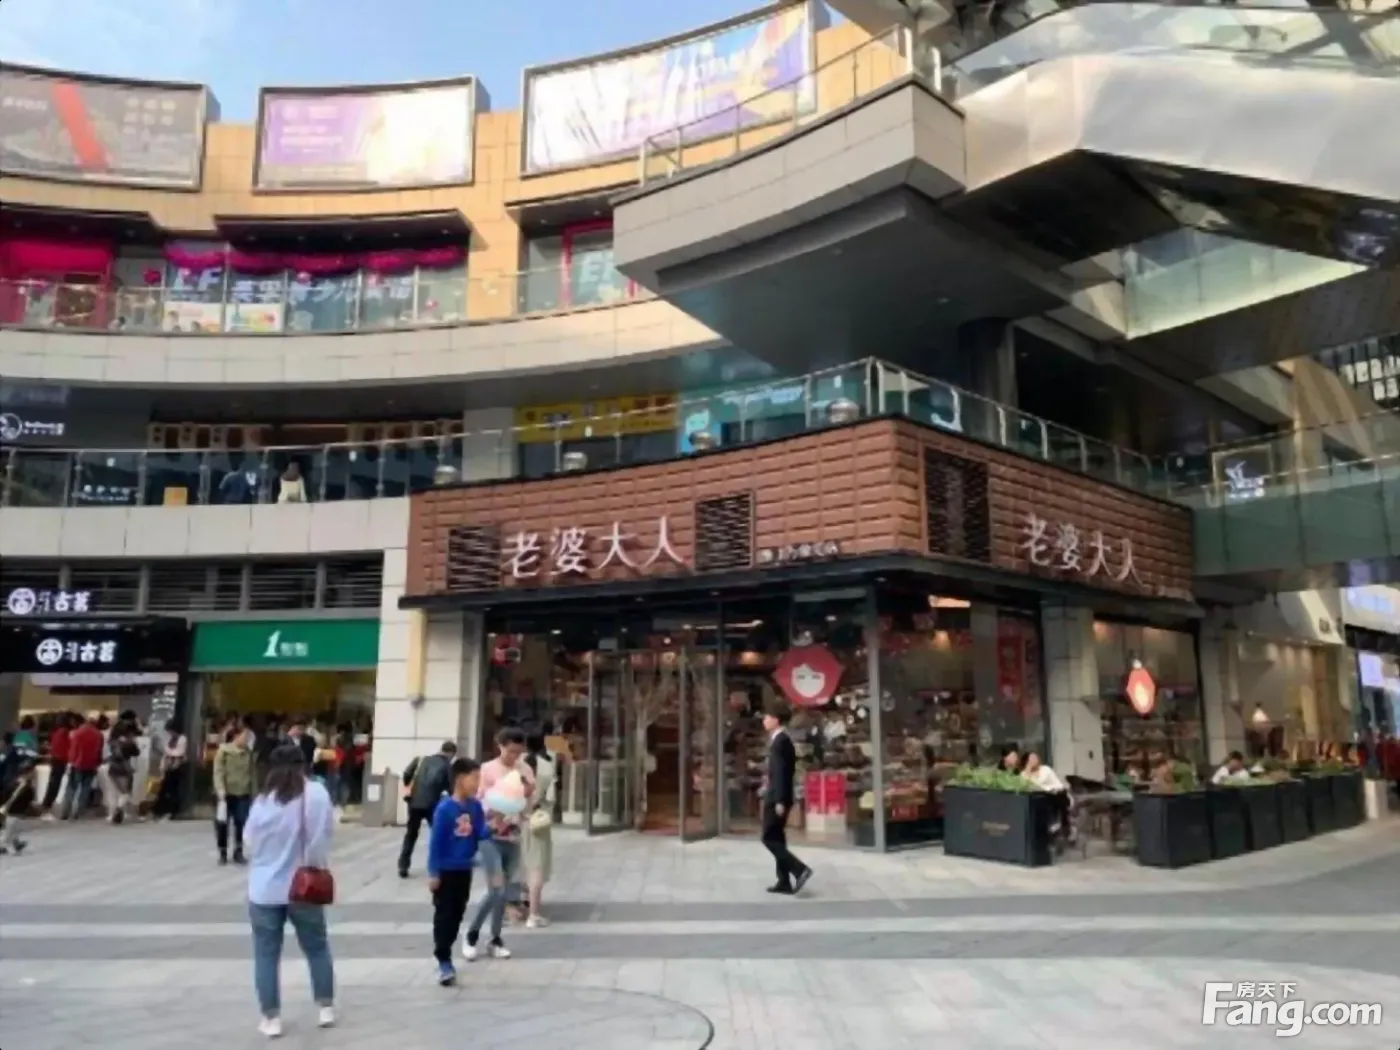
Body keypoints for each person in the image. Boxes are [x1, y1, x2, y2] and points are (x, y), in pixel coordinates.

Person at [244, 744, 337, 1037]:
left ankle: (271, 1018)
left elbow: (249, 843)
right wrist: (313, 863)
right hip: (304, 887)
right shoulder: (316, 794)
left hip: (264, 888)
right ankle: (325, 1006)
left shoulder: (263, 801)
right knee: (317, 947)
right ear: (303, 764)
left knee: (266, 954)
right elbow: (324, 835)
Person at [464, 727, 536, 959]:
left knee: (502, 892)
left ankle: (495, 938)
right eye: (511, 751)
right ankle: (472, 935)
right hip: (490, 837)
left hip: (513, 836)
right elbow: (477, 800)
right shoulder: (487, 769)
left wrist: (526, 797)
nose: (515, 756)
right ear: (500, 746)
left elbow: (529, 801)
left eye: (519, 752)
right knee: (497, 888)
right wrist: (492, 813)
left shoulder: (525, 769)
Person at [426, 757, 494, 986]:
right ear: (459, 779)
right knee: (444, 915)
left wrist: (496, 823)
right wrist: (433, 872)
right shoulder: (444, 809)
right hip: (446, 871)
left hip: (464, 869)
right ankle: (443, 960)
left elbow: (481, 832)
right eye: (474, 778)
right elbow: (435, 843)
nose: (477, 783)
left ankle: (446, 950)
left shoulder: (475, 807)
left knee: (457, 914)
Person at [760, 705, 813, 896]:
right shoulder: (780, 740)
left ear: (776, 720)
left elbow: (782, 773)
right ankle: (784, 881)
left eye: (767, 716)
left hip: (777, 797)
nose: (764, 720)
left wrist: (780, 800)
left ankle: (799, 869)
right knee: (777, 838)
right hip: (777, 794)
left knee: (768, 837)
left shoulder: (781, 742)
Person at [398, 740, 457, 878]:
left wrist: (411, 787)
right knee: (438, 834)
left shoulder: (420, 759)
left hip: (414, 803)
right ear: (451, 754)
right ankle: (439, 864)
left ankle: (403, 865)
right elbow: (451, 788)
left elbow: (406, 773)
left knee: (411, 834)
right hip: (433, 805)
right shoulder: (447, 766)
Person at [520, 726, 557, 928]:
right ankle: (533, 914)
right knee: (537, 866)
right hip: (538, 819)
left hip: (519, 818)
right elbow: (550, 796)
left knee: (522, 863)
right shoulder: (547, 765)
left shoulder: (519, 764)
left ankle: (523, 906)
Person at [215, 724, 256, 865]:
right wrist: (220, 789)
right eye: (244, 736)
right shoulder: (224, 751)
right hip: (226, 794)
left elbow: (252, 774)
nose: (246, 739)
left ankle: (238, 851)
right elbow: (218, 772)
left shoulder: (248, 753)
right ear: (236, 736)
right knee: (222, 824)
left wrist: (254, 793)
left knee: (241, 822)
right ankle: (222, 851)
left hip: (243, 793)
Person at [64, 716, 104, 820]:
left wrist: (70, 761)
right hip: (91, 765)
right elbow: (99, 751)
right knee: (85, 788)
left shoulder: (77, 733)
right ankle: (78, 812)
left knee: (71, 788)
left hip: (77, 764)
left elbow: (73, 749)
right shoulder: (98, 734)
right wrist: (97, 763)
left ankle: (66, 812)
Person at [105, 723, 140, 824]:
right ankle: (119, 810)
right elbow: (137, 753)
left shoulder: (112, 742)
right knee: (126, 793)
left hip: (112, 769)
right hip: (124, 769)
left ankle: (113, 813)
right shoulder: (129, 743)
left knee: (115, 792)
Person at [39, 713, 72, 820]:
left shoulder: (55, 733)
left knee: (53, 783)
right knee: (55, 785)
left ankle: (46, 806)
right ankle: (46, 807)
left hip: (55, 759)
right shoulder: (65, 733)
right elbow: (68, 747)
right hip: (61, 760)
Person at [152, 726, 188, 820]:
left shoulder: (182, 739)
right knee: (164, 790)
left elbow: (179, 752)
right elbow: (166, 753)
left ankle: (172, 811)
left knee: (173, 791)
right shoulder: (170, 739)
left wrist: (169, 752)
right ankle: (161, 811)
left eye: (171, 731)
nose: (170, 733)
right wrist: (162, 767)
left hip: (176, 768)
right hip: (168, 767)